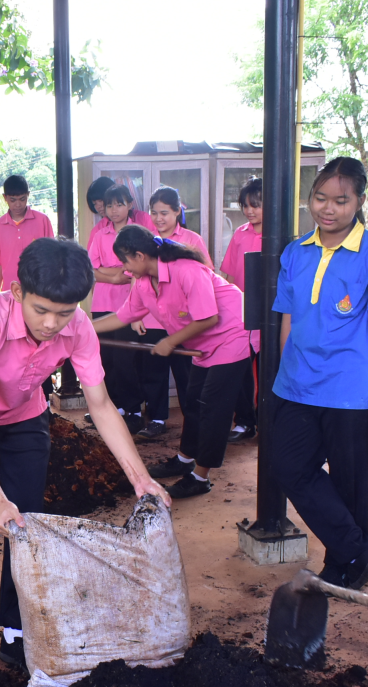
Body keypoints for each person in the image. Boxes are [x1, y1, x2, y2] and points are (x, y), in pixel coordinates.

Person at [0, 236, 170, 671]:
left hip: (25, 417)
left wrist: (140, 477)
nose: (51, 324)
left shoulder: (77, 326)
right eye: (41, 310)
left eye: (63, 313)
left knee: (25, 523)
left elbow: (99, 404)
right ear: (17, 291)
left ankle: (13, 629)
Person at [270, 157, 368, 590]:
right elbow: (288, 321)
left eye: (340, 200)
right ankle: (358, 550)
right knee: (289, 467)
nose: (328, 209)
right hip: (296, 385)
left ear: (359, 201)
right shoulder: (296, 251)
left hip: (348, 388)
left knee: (350, 480)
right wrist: (284, 375)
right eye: (320, 198)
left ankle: (342, 565)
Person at [94, 226, 249, 498]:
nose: (124, 269)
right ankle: (185, 460)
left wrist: (170, 341)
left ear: (140, 255)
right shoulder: (143, 283)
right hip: (203, 346)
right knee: (193, 403)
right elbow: (122, 316)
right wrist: (82, 329)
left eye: (125, 261)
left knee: (213, 408)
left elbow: (209, 318)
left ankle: (200, 477)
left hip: (232, 336)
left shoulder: (186, 270)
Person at [130, 186, 216, 441]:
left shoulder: (192, 239)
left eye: (164, 213)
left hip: (185, 323)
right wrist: (135, 316)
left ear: (178, 211)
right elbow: (137, 278)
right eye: (154, 213)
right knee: (153, 371)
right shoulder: (147, 241)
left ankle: (193, 421)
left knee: (187, 376)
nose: (159, 219)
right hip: (152, 317)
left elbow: (206, 276)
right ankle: (156, 419)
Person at [86, 183, 148, 434]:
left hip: (129, 305)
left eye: (119, 204)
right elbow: (89, 270)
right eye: (109, 205)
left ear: (130, 205)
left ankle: (133, 409)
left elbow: (138, 270)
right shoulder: (99, 235)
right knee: (105, 358)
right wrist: (113, 276)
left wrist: (107, 271)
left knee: (126, 358)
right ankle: (114, 406)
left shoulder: (137, 234)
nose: (114, 210)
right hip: (102, 303)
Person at [222, 176, 264, 444]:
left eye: (256, 205)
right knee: (240, 368)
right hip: (240, 311)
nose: (249, 211)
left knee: (264, 371)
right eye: (245, 205)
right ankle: (245, 420)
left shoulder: (275, 235)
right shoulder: (240, 233)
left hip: (267, 312)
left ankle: (261, 421)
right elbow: (228, 274)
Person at [0, 175, 56, 294]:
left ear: (28, 195)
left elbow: (52, 258)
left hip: (39, 290)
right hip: (9, 291)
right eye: (13, 200)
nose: (18, 204)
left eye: (22, 199)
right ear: (5, 198)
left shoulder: (42, 220)